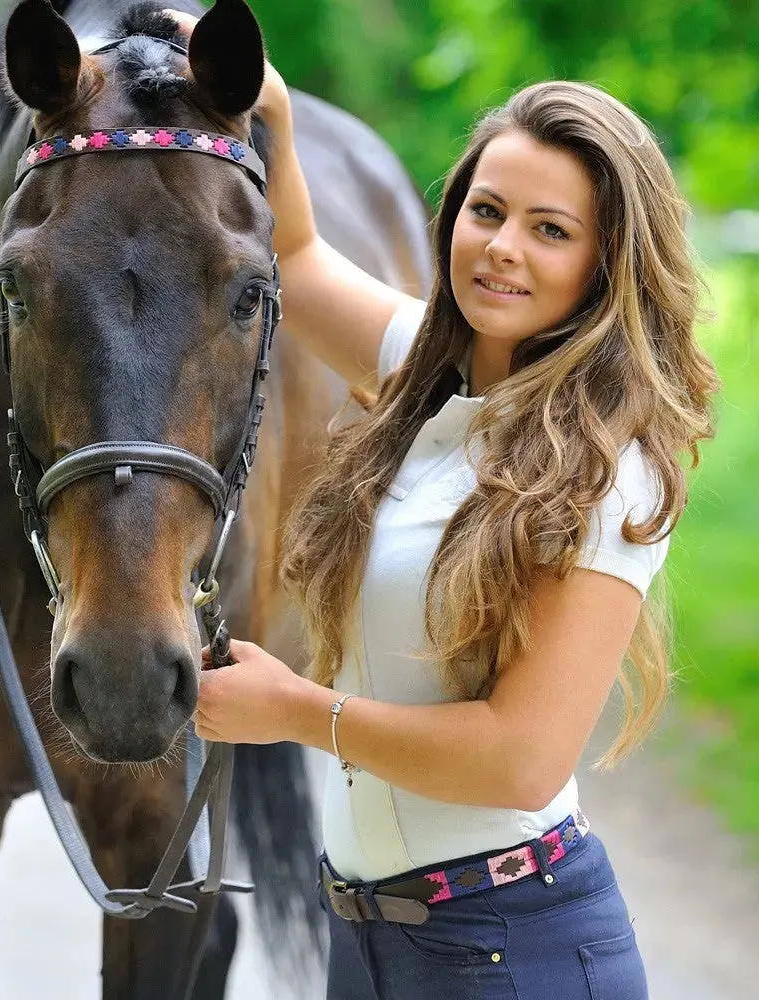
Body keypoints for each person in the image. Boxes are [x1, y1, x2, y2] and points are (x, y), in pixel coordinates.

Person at [167, 9, 720, 999]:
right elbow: (293, 258)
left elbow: (518, 758)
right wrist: (275, 112)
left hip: (509, 948)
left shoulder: (607, 469)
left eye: (549, 230)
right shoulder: (428, 380)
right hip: (372, 939)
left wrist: (293, 710)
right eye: (487, 210)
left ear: (605, 264)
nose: (503, 247)